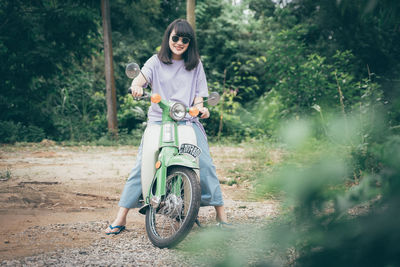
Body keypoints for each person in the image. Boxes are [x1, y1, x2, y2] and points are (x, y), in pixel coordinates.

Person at [105, 19, 229, 235]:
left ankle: (221, 215)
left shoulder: (196, 64)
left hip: (188, 121)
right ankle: (121, 217)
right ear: (168, 38)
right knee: (141, 166)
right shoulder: (155, 62)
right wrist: (135, 88)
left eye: (185, 39)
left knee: (206, 164)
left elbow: (199, 97)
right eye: (175, 38)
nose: (179, 42)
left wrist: (202, 109)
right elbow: (139, 81)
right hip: (159, 121)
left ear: (190, 43)